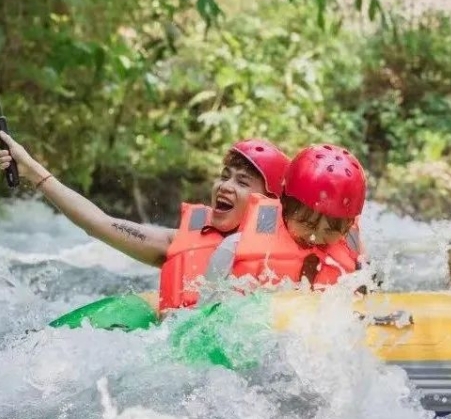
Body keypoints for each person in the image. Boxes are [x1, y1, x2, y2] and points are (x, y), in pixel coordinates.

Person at [0, 131, 290, 310]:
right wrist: (33, 172)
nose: (225, 186)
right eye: (224, 176)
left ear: (269, 203)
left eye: (241, 182)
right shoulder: (175, 242)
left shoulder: (290, 267)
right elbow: (98, 224)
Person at [200, 143, 367, 294]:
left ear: (348, 226)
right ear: (284, 207)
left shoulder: (355, 256)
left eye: (332, 230)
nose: (316, 237)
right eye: (308, 224)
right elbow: (204, 314)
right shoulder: (233, 247)